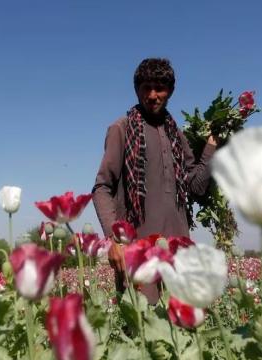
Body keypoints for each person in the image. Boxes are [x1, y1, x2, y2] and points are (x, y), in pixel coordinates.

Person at [92, 58, 217, 292]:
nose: (152, 95)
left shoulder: (177, 136)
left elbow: (196, 187)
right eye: (145, 88)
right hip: (139, 258)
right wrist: (114, 239)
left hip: (179, 257)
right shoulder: (122, 129)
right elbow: (102, 188)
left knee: (181, 326)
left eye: (159, 88)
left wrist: (211, 149)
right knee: (144, 324)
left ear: (170, 91)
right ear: (136, 90)